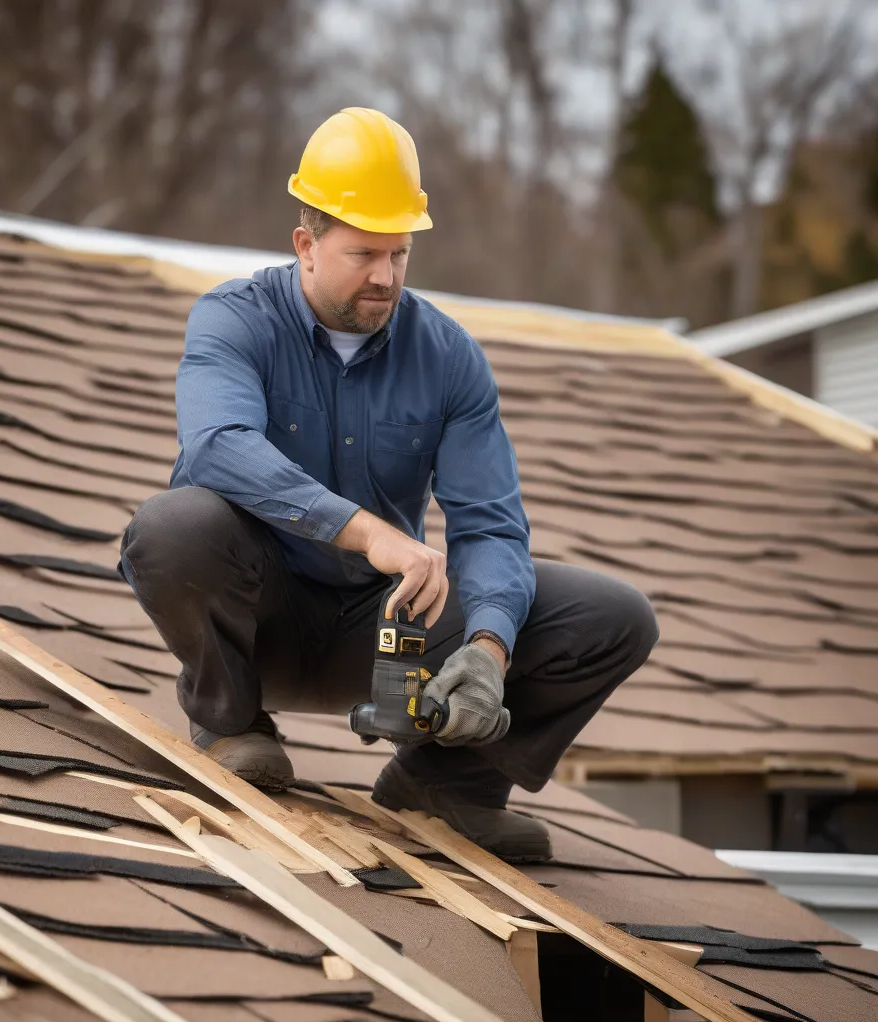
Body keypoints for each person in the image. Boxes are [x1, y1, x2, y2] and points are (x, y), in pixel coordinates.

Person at [118, 107, 659, 862]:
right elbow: (216, 446)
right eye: (364, 254)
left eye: (400, 254)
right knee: (172, 527)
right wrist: (370, 532)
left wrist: (489, 652)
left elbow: (492, 527)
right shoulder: (234, 320)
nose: (386, 276)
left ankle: (446, 783)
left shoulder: (448, 356)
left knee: (613, 616)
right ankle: (231, 724)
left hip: (386, 634)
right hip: (255, 610)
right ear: (305, 245)